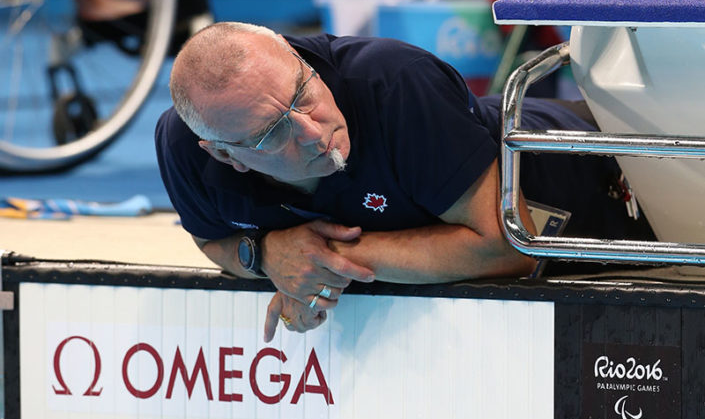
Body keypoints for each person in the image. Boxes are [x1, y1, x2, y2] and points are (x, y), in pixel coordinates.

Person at [155, 21, 653, 342]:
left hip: (609, 168)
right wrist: (266, 255)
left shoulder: (396, 82)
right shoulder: (183, 145)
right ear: (224, 154)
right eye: (273, 132)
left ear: (300, 60)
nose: (312, 131)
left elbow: (508, 246)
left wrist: (320, 262)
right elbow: (212, 240)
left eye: (302, 96)